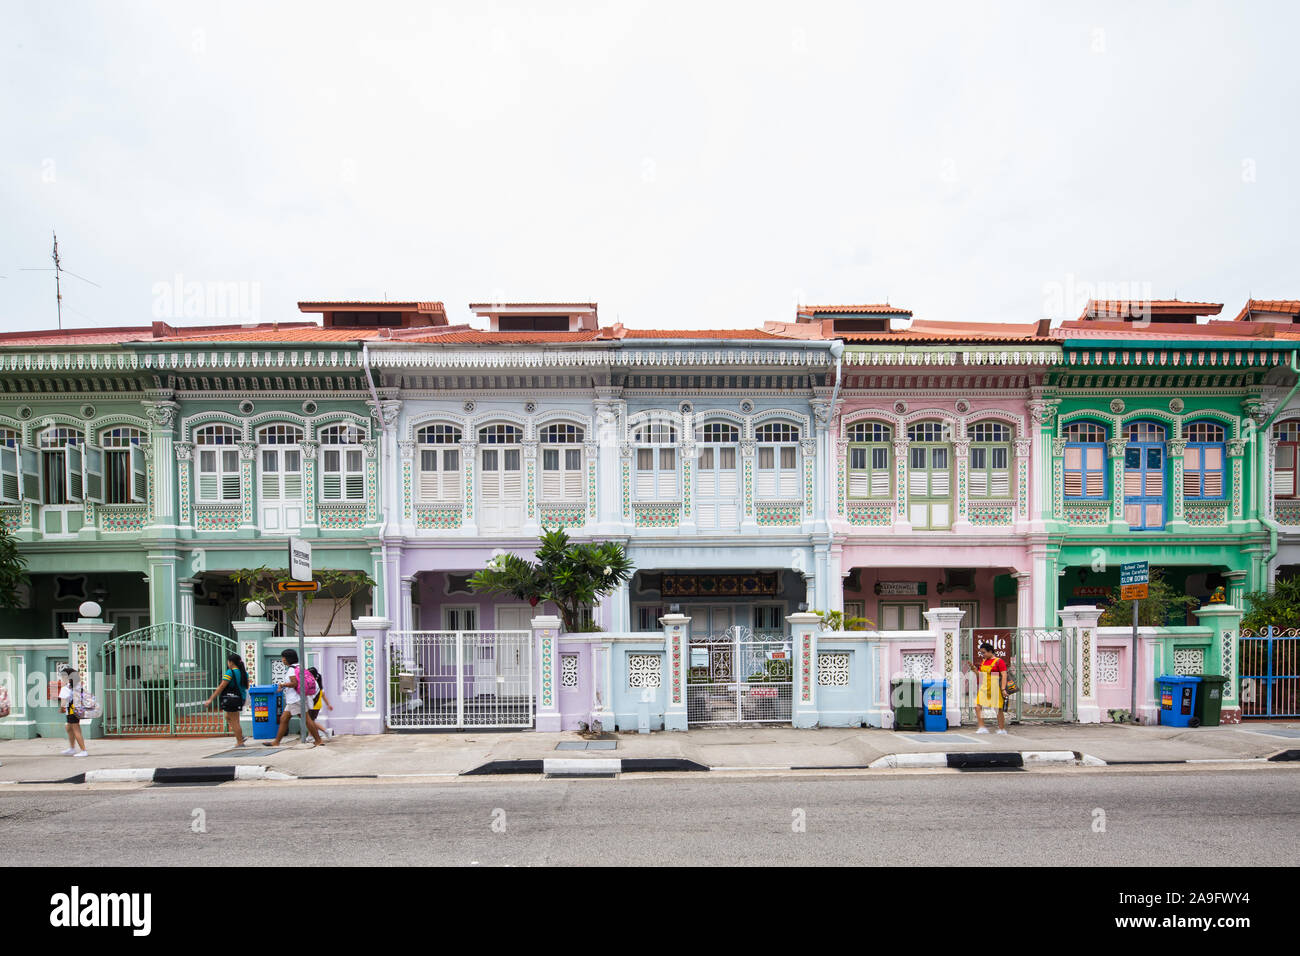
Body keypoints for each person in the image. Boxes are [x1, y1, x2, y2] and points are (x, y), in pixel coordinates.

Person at [264, 648, 324, 747]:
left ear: (287, 659)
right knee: (284, 719)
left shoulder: (292, 670)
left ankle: (318, 740)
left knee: (306, 720)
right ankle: (276, 742)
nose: (282, 660)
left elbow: (294, 683)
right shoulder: (299, 667)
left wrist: (283, 685)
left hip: (295, 699)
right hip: (296, 698)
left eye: (283, 658)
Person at [207, 652, 249, 747]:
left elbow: (222, 686)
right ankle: (240, 736)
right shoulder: (244, 673)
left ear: (231, 662)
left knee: (234, 721)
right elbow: (246, 686)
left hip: (232, 699)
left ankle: (240, 742)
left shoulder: (230, 672)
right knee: (228, 717)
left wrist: (211, 698)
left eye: (228, 662)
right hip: (240, 698)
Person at [969, 643, 1008, 735]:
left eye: (984, 652)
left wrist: (1003, 689)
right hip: (985, 686)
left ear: (990, 651)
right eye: (981, 653)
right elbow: (981, 675)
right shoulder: (984, 661)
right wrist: (974, 669)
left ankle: (1002, 729)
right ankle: (982, 727)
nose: (983, 655)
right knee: (977, 706)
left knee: (998, 709)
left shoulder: (999, 661)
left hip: (995, 686)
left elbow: (1004, 675)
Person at [57, 665, 89, 757]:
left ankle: (83, 750)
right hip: (76, 709)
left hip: (71, 711)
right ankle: (72, 748)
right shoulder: (77, 686)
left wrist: (61, 709)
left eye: (63, 676)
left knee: (76, 729)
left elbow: (63, 703)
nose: (61, 678)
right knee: (69, 727)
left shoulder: (65, 688)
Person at [307, 666, 333, 737]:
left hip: (313, 705)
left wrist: (328, 705)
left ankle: (326, 731)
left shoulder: (313, 684)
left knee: (310, 722)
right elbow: (323, 696)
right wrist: (328, 705)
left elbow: (322, 696)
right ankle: (310, 736)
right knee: (311, 721)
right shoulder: (318, 684)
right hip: (316, 705)